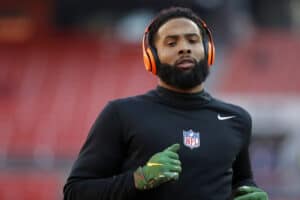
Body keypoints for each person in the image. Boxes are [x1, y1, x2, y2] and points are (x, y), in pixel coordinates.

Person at [63, 6, 269, 200]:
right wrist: (139, 179)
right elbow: (75, 191)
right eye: (172, 43)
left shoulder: (237, 119)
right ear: (151, 57)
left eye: (193, 40)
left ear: (208, 51)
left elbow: (241, 183)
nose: (184, 48)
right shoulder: (121, 113)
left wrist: (251, 194)